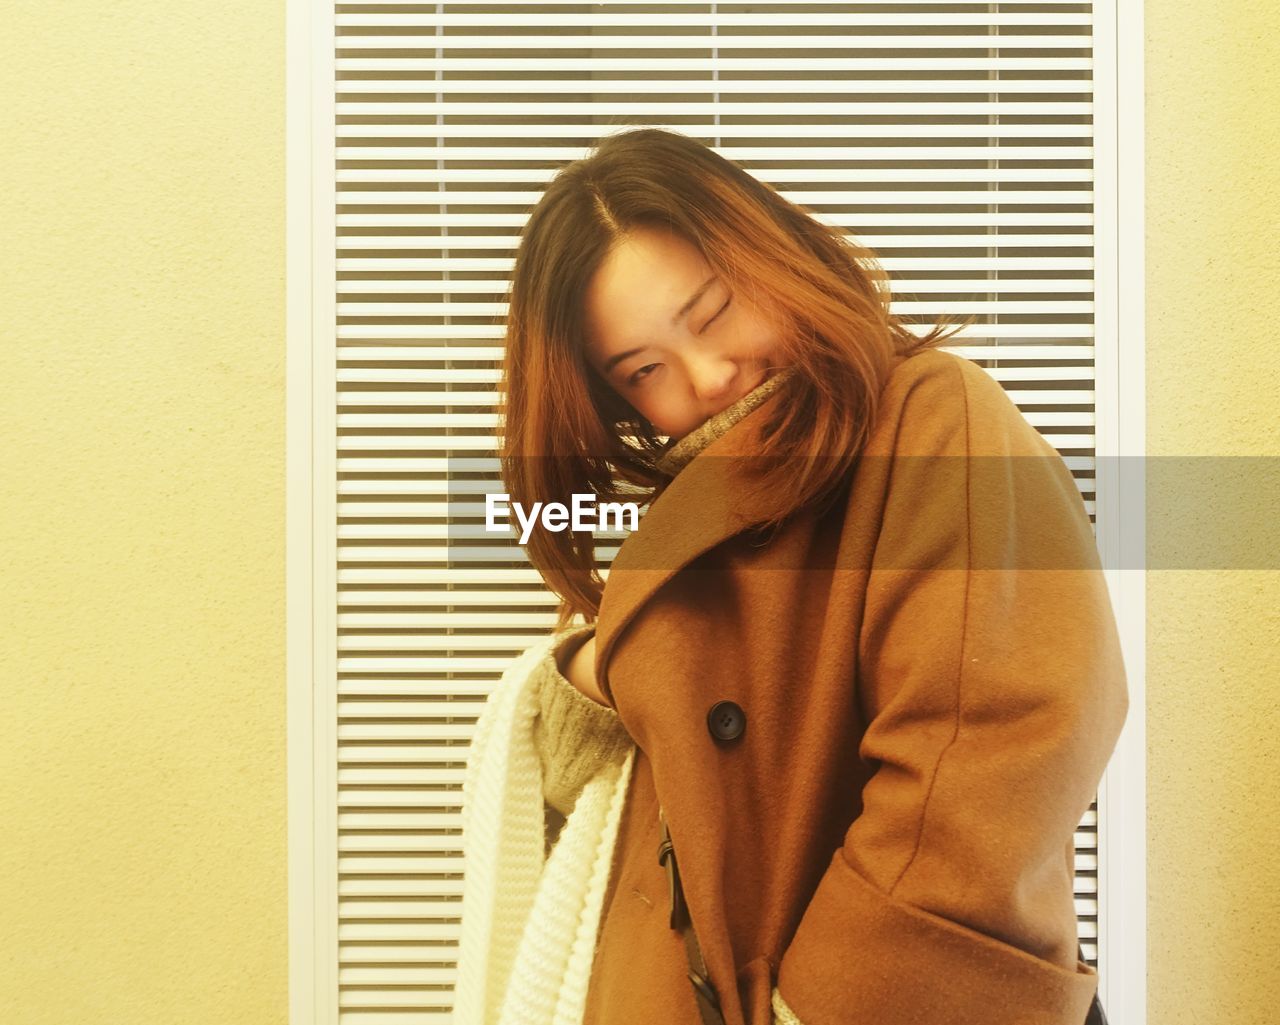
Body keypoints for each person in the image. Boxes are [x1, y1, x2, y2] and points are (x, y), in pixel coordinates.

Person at [453, 127, 1129, 1025]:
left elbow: (984, 759)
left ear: (771, 255)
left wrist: (819, 1008)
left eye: (713, 310)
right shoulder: (684, 516)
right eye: (646, 370)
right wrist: (580, 674)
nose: (708, 373)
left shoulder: (931, 419)